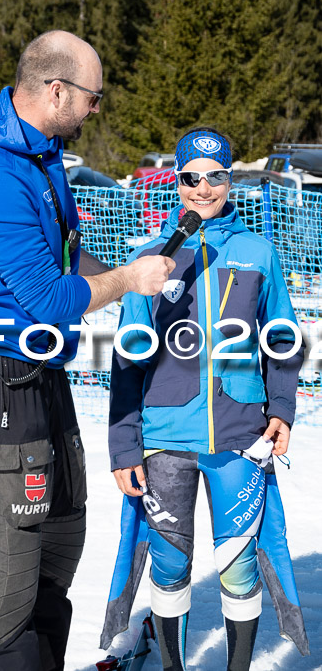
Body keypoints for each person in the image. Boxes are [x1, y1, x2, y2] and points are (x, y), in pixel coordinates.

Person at [0, 29, 174, 671]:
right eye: (92, 98)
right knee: (11, 563)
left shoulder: (43, 158)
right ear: (57, 90)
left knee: (58, 541)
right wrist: (125, 281)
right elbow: (46, 297)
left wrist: (132, 282)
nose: (97, 109)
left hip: (43, 375)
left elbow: (66, 262)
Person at [102, 127, 309, 670]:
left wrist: (282, 409)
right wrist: (124, 447)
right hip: (164, 441)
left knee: (238, 566)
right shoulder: (149, 257)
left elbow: (281, 338)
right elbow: (127, 356)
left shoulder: (259, 253)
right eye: (192, 176)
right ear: (178, 180)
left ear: (229, 180)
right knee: (169, 566)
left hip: (241, 438)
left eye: (215, 176)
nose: (203, 188)